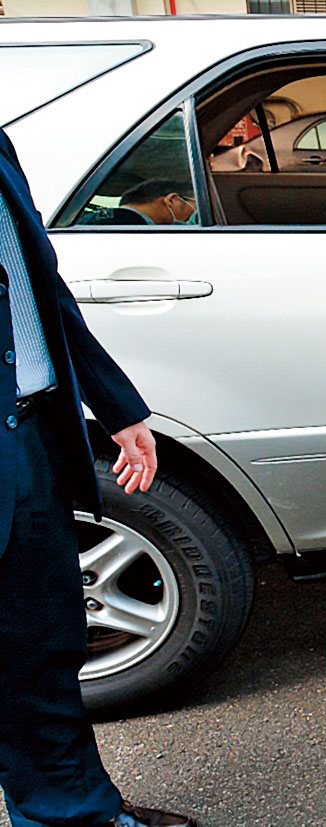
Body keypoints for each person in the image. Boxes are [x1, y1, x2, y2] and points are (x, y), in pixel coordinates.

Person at [0, 130, 196, 826]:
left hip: (29, 433)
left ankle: (70, 812)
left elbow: (38, 286)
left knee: (41, 644)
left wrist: (115, 405)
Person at [89, 180, 196, 226]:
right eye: (196, 207)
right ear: (172, 200)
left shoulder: (100, 219)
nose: (195, 216)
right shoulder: (126, 226)